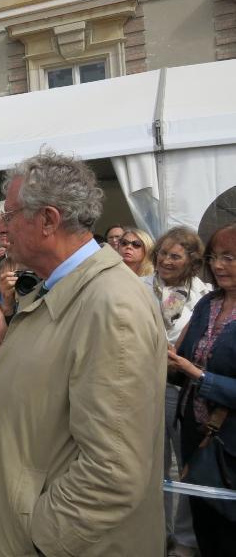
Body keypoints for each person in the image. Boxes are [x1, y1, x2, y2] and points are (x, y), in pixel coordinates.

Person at [0, 150, 167, 556]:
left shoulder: (112, 305)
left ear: (48, 220)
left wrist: (40, 538)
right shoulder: (57, 288)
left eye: (11, 216)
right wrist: (7, 345)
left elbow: (113, 472)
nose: (2, 229)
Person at [167, 222, 236, 556]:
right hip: (195, 433)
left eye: (230, 258)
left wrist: (201, 377)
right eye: (214, 257)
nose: (219, 265)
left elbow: (194, 369)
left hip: (230, 442)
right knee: (203, 523)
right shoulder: (208, 303)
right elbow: (182, 355)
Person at [141, 227, 210, 556]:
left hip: (180, 390)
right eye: (162, 254)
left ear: (192, 261)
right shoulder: (139, 288)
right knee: (151, 462)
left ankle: (184, 538)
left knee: (185, 465)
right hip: (142, 386)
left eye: (175, 255)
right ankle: (157, 530)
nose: (165, 261)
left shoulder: (204, 296)